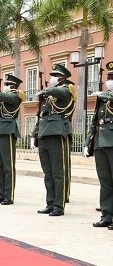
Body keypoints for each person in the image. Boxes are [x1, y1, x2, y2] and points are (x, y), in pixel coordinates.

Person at [31, 64, 76, 217]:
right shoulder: (49, 96)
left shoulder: (66, 90)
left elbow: (61, 93)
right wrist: (34, 135)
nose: (52, 78)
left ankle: (59, 205)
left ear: (62, 78)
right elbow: (41, 116)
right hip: (44, 134)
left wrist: (46, 90)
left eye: (55, 75)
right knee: (48, 173)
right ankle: (50, 203)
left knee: (58, 172)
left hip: (57, 133)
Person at [85, 61, 113, 229]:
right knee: (105, 182)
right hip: (101, 142)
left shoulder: (106, 96)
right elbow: (95, 121)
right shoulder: (102, 99)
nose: (109, 80)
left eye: (112, 77)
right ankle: (107, 214)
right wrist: (89, 141)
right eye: (108, 77)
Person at [0, 74, 25, 205]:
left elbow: (10, 98)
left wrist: (0, 94)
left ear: (14, 86)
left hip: (8, 130)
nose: (6, 86)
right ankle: (1, 193)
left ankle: (9, 196)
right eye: (6, 84)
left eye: (8, 85)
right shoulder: (4, 97)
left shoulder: (17, 96)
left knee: (8, 166)